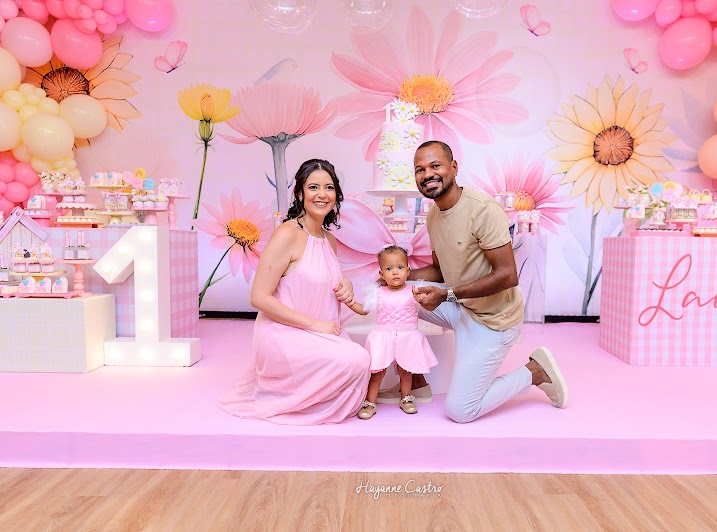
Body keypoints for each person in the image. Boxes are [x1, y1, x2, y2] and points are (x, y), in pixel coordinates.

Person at [377, 140, 569, 423]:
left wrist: (448, 295)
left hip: (493, 321)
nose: (427, 174)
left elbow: (508, 275)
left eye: (435, 166)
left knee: (460, 410)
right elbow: (440, 271)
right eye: (420, 169)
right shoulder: (434, 214)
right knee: (395, 294)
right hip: (461, 306)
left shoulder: (482, 210)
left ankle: (535, 372)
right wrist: (398, 277)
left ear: (454, 167)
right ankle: (415, 380)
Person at [219, 159, 370, 425]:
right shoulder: (287, 234)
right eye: (313, 187)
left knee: (362, 362)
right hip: (284, 333)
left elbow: (320, 280)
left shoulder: (329, 240)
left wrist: (345, 283)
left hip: (320, 332)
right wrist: (314, 325)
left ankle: (310, 394)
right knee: (357, 360)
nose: (322, 194)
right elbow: (259, 297)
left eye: (329, 187)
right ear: (300, 194)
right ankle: (293, 395)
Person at [345, 245, 438, 420]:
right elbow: (364, 310)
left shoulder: (414, 291)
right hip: (383, 337)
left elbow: (428, 306)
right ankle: (370, 401)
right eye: (389, 269)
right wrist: (349, 302)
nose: (395, 272)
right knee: (378, 372)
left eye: (400, 267)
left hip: (407, 337)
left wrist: (424, 299)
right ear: (381, 274)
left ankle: (406, 398)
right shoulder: (378, 293)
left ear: (408, 270)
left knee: (406, 371)